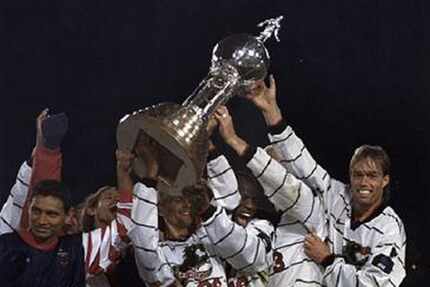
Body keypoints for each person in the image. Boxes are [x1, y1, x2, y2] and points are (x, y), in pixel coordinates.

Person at [246, 76, 406, 286]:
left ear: (385, 180)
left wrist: (328, 259)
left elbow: (376, 284)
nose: (364, 182)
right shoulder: (337, 196)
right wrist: (270, 111)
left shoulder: (389, 227)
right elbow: (302, 162)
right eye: (358, 174)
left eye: (372, 175)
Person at [0, 109, 136, 287]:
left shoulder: (78, 252)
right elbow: (37, 181)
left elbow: (123, 228)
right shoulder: (5, 248)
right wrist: (46, 150)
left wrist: (123, 172)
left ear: (67, 216)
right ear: (29, 209)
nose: (42, 220)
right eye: (36, 211)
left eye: (51, 214)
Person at [129, 128, 273, 287]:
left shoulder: (206, 237)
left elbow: (230, 200)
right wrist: (151, 174)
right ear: (160, 209)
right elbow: (142, 241)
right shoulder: (161, 253)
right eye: (177, 199)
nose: (187, 203)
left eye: (187, 198)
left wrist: (207, 147)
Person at [215, 106, 327, 286]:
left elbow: (284, 185)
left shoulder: (312, 209)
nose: (267, 177)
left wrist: (233, 140)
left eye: (275, 167)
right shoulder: (267, 224)